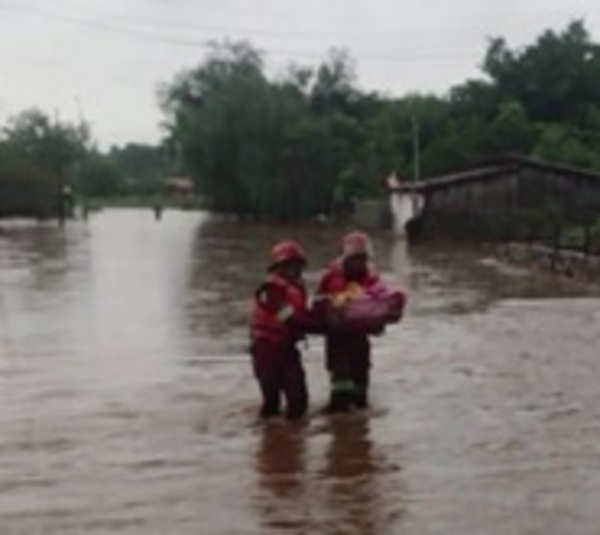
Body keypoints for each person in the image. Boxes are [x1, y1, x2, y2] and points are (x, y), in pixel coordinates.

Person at [318, 231, 388, 413]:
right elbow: (321, 306)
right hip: (338, 339)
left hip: (359, 338)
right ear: (346, 259)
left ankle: (356, 431)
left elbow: (380, 305)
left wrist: (380, 321)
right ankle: (338, 422)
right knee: (342, 383)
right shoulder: (332, 278)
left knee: (360, 387)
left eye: (362, 259)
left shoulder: (371, 280)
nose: (359, 264)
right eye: (355, 259)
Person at [250, 240, 319, 420]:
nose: (295, 269)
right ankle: (270, 439)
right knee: (271, 402)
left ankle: (291, 441)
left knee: (298, 401)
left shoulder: (296, 288)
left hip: (287, 348)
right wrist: (324, 326)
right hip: (267, 349)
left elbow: (302, 315)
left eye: (297, 265)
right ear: (278, 267)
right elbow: (289, 318)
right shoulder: (270, 291)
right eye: (289, 265)